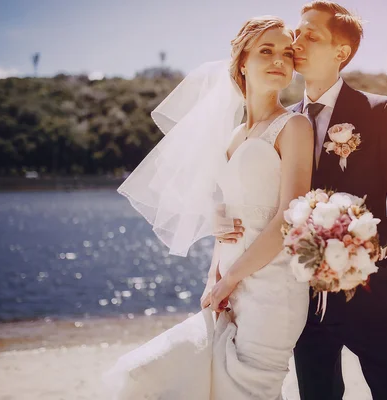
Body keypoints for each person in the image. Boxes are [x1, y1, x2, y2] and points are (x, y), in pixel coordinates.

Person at [106, 16, 314, 400]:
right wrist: (214, 276)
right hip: (228, 280)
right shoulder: (233, 134)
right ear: (242, 62)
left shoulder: (294, 126)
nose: (279, 60)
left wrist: (230, 277)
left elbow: (290, 218)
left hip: (274, 287)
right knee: (153, 375)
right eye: (266, 51)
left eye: (287, 52)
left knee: (250, 390)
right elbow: (230, 209)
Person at [287, 2, 387, 399]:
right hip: (304, 304)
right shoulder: (282, 123)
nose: (296, 42)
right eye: (296, 33)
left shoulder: (379, 111)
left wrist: (370, 251)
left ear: (340, 52)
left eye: (310, 35)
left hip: (373, 297)